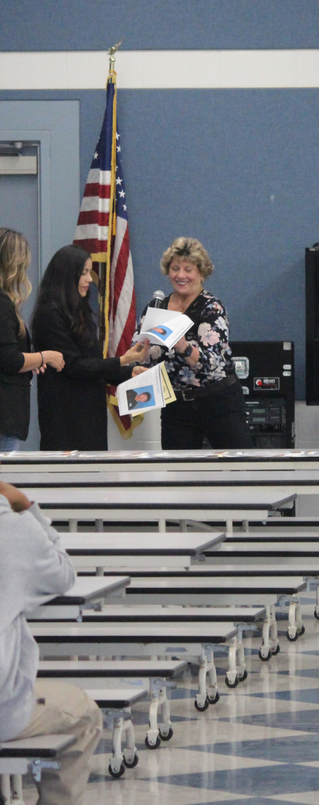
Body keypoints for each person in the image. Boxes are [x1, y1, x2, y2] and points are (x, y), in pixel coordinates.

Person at [0, 479, 102, 804]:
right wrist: (28, 509)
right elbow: (63, 574)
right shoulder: (13, 528)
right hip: (3, 708)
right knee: (85, 714)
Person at [32, 245, 149, 451]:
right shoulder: (50, 313)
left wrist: (130, 372)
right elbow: (74, 366)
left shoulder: (80, 311)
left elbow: (93, 363)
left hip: (89, 415)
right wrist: (123, 360)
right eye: (84, 273)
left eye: (89, 272)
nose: (89, 279)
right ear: (68, 275)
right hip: (65, 418)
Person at [140, 238, 251, 449]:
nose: (180, 275)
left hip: (219, 401)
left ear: (201, 273)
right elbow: (144, 356)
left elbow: (211, 363)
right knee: (178, 473)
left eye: (188, 269)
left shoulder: (212, 308)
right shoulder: (156, 308)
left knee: (238, 468)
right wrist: (137, 359)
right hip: (177, 405)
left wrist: (182, 346)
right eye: (175, 269)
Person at [0, 229, 65, 451]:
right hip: (5, 415)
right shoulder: (2, 305)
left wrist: (34, 360)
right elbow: (9, 360)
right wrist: (44, 356)